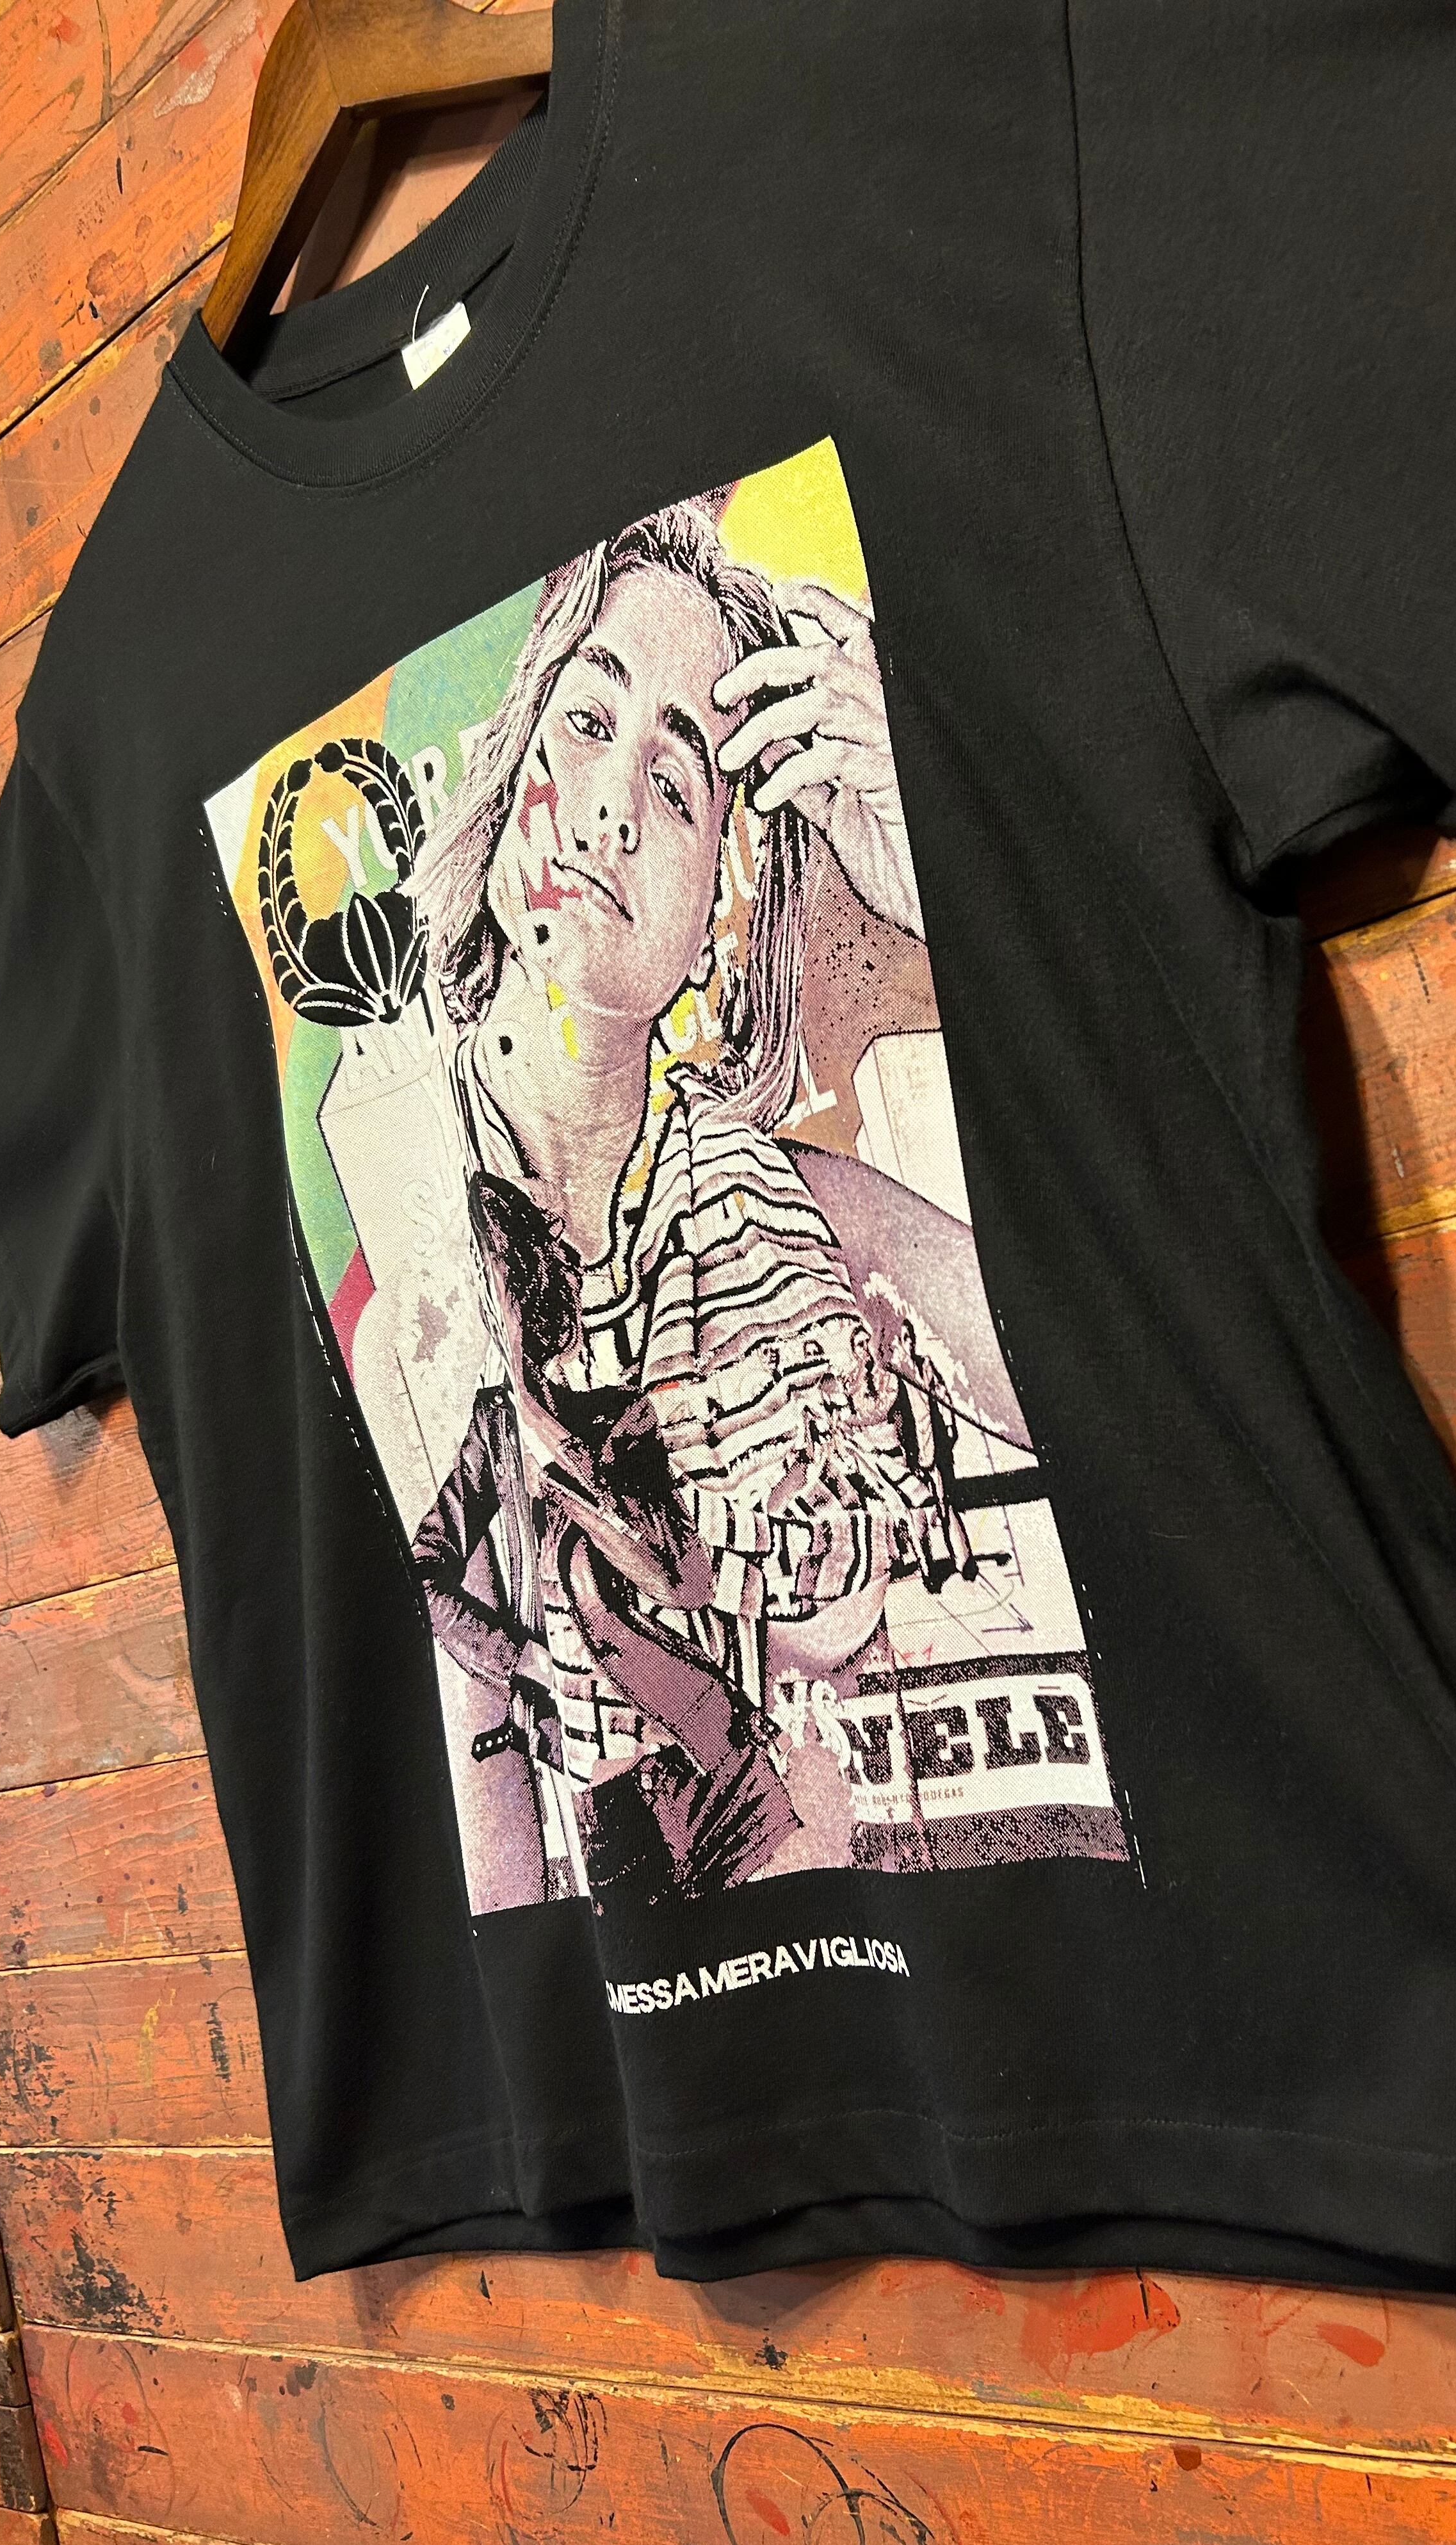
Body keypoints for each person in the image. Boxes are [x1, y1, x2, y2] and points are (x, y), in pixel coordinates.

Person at [408, 501, 964, 1899]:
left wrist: (941, 888)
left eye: (675, 784)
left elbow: (1109, 1333)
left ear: (724, 901)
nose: (610, 806)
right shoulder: (399, 1232)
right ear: (515, 758)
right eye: (589, 724)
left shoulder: (812, 1224)